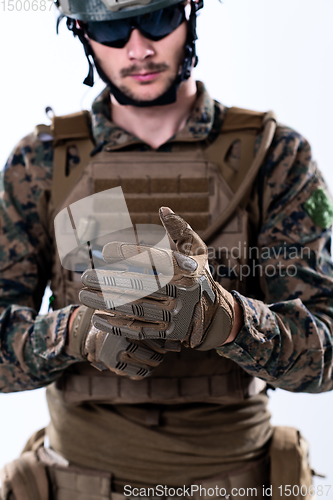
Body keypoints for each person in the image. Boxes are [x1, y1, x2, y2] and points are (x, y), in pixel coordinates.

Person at [1, 0, 333, 499]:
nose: (139, 49)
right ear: (82, 33)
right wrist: (76, 331)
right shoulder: (41, 163)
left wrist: (227, 321)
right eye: (112, 30)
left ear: (189, 15)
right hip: (75, 481)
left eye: (157, 20)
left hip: (238, 483)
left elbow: (327, 351)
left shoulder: (276, 156)